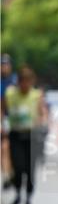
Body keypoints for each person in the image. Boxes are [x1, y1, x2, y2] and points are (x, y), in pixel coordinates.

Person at [3, 66, 47, 204]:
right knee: (18, 167)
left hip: (31, 136)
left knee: (29, 169)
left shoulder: (36, 95)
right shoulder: (10, 94)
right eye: (23, 83)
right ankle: (17, 195)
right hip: (15, 134)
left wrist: (40, 123)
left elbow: (43, 113)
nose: (25, 86)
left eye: (28, 83)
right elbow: (2, 109)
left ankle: (28, 198)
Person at [1, 54, 16, 190]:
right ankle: (7, 175)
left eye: (6, 64)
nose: (4, 67)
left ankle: (10, 174)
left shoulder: (16, 81)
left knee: (9, 149)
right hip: (3, 118)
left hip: (14, 119)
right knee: (4, 148)